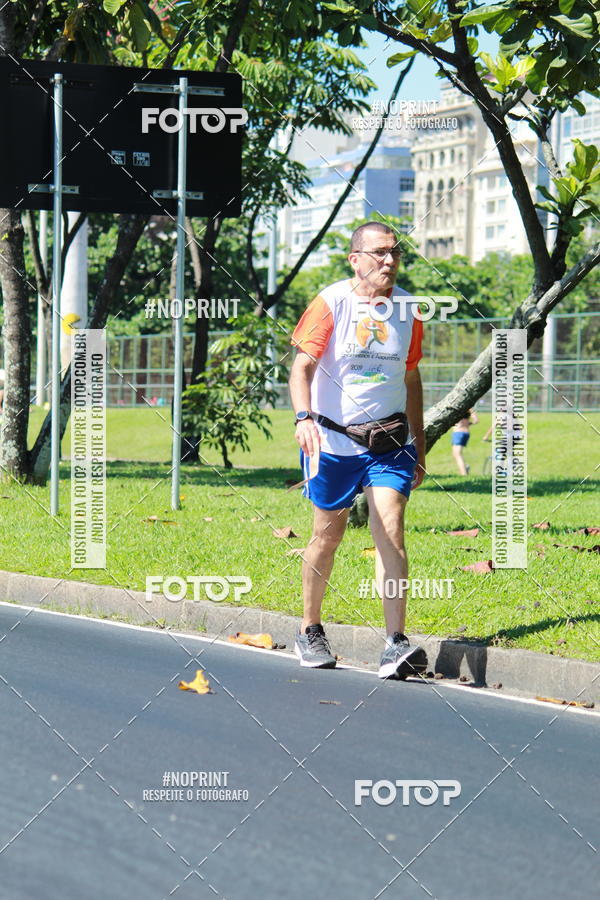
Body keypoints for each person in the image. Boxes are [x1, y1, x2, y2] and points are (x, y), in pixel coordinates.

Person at [288, 221, 428, 680]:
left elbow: (411, 378)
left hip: (389, 444)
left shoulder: (408, 309)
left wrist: (420, 443)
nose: (389, 261)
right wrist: (303, 418)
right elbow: (301, 369)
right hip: (331, 441)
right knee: (327, 537)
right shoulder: (332, 303)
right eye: (380, 253)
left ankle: (395, 642)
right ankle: (310, 628)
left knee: (391, 528)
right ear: (356, 259)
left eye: (395, 253)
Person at [450, 409, 479, 475]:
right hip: (465, 433)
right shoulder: (469, 409)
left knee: (457, 454)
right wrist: (467, 423)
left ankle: (464, 474)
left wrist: (462, 424)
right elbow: (476, 420)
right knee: (455, 454)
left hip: (458, 433)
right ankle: (465, 468)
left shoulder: (456, 408)